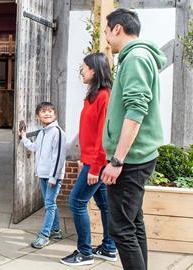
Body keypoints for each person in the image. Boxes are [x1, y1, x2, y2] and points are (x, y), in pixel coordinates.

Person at [101, 8, 166, 270]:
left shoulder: (136, 58)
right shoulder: (136, 56)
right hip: (136, 158)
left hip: (130, 160)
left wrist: (117, 160)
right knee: (133, 223)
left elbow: (136, 112)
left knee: (121, 230)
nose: (106, 38)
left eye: (106, 32)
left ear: (118, 29)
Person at [60, 53, 117, 266]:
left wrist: (94, 166)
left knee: (76, 201)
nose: (81, 71)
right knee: (104, 205)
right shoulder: (92, 94)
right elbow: (89, 132)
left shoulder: (105, 95)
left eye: (84, 67)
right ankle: (109, 248)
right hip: (92, 160)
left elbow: (104, 135)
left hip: (98, 163)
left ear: (94, 69)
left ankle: (84, 253)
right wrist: (85, 158)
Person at [18, 102, 66, 249]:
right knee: (49, 203)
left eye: (50, 111)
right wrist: (24, 137)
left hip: (53, 176)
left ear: (55, 115)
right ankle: (56, 231)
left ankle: (44, 236)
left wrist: (53, 177)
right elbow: (34, 148)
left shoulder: (57, 132)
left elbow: (58, 156)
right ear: (38, 116)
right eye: (44, 111)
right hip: (43, 174)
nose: (47, 114)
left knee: (50, 205)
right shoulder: (42, 133)